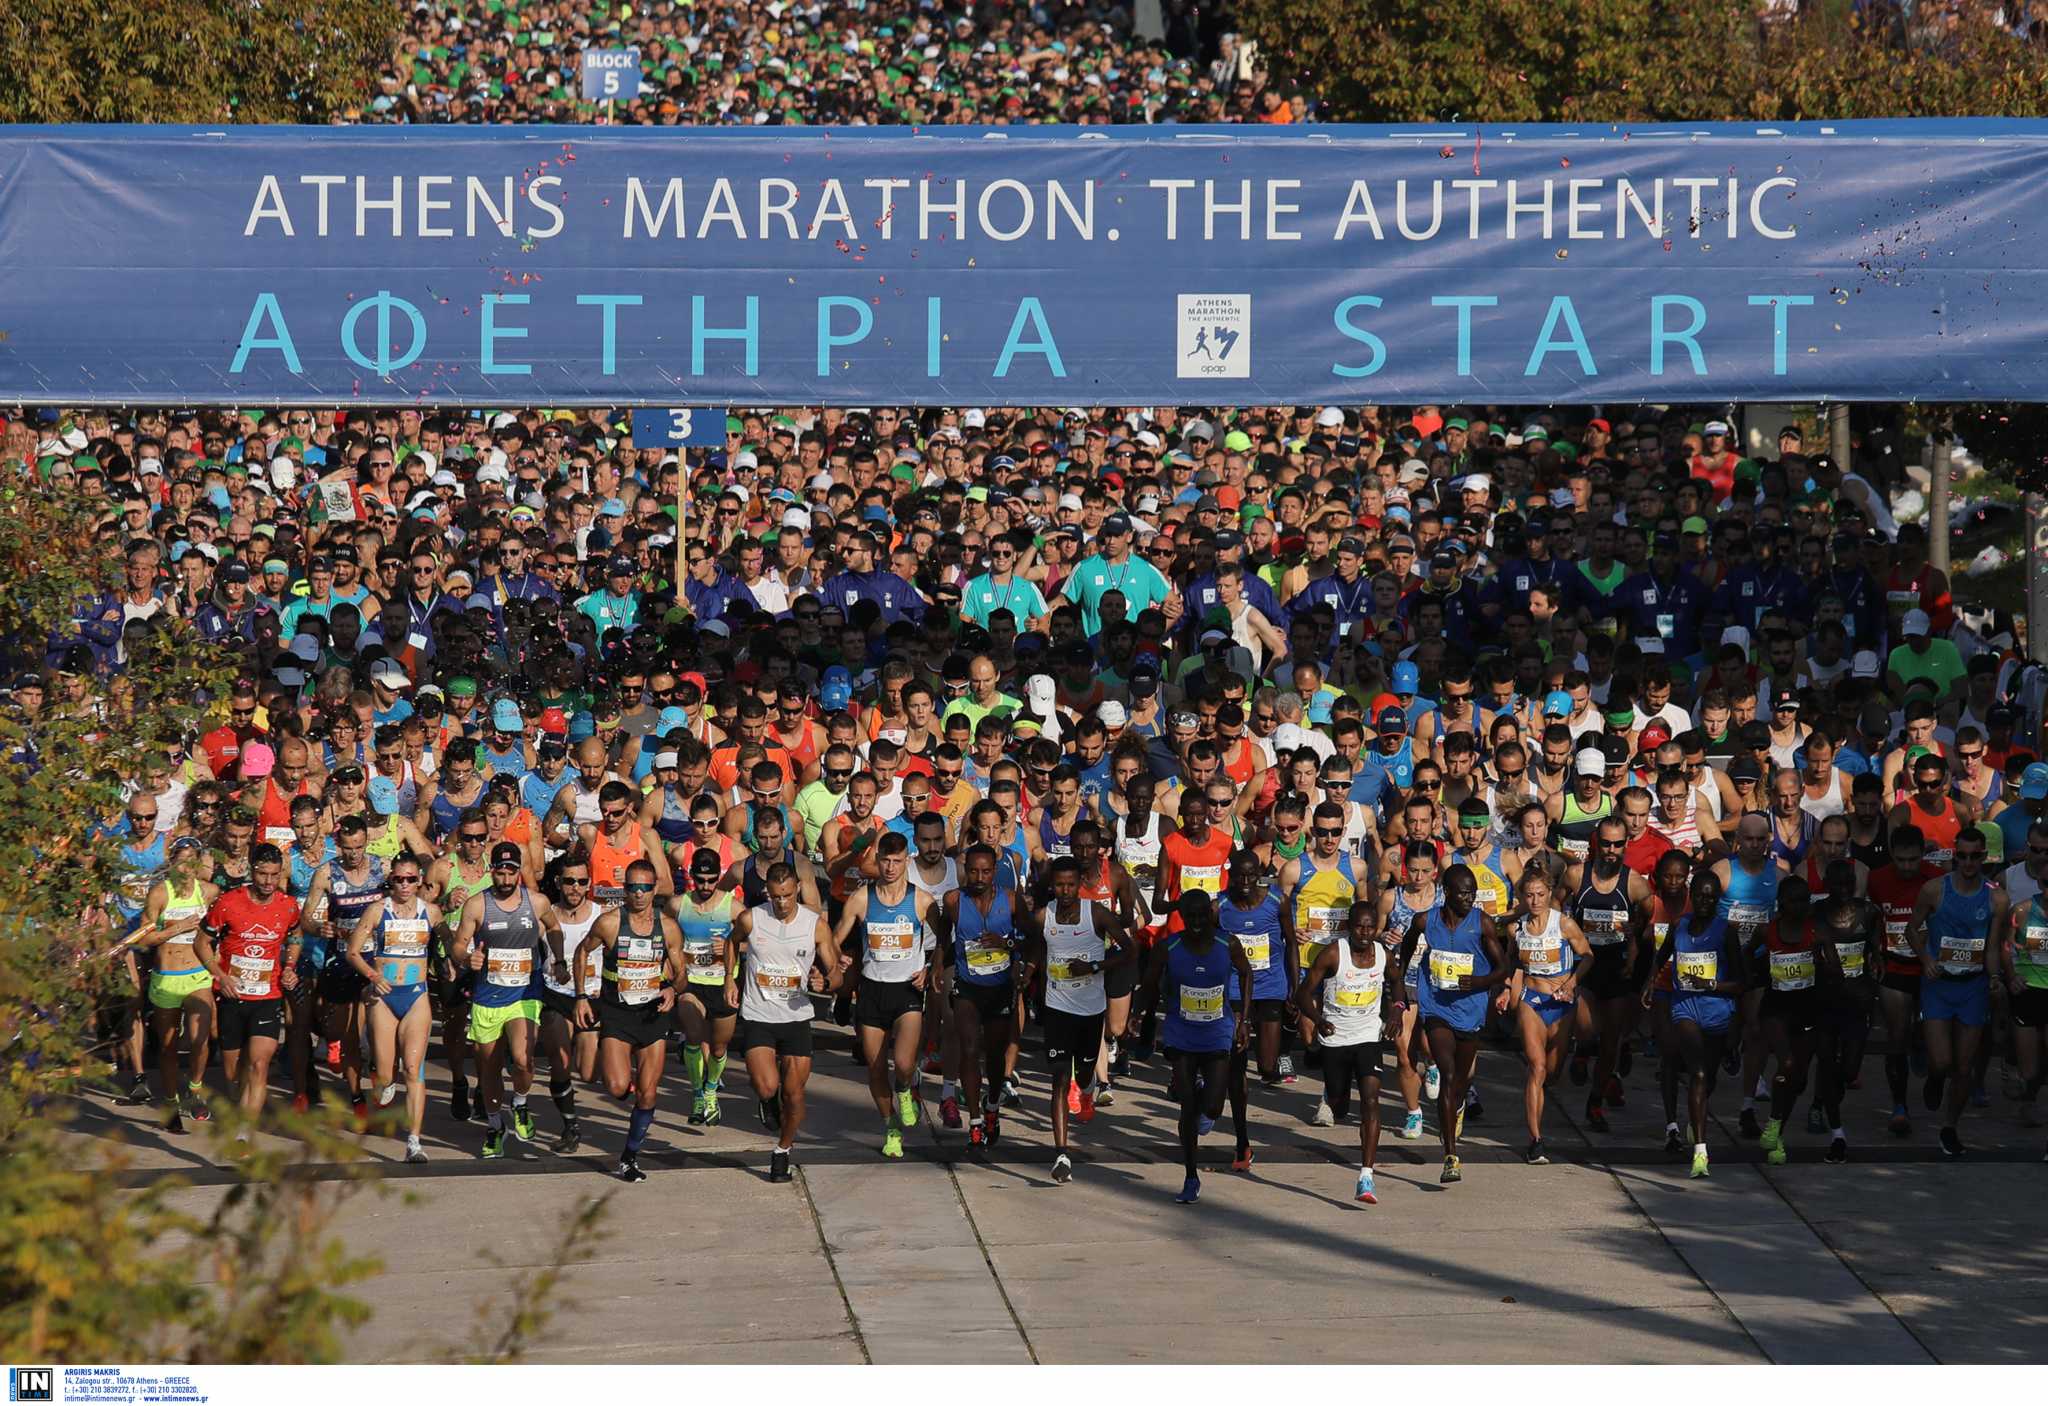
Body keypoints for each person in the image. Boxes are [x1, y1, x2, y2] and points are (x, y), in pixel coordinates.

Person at [450, 842, 570, 1160]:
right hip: (488, 999)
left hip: (525, 995)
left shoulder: (537, 902)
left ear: (519, 871)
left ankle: (519, 1102)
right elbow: (458, 945)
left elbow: (554, 927)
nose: (505, 879)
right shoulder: (477, 905)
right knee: (488, 1071)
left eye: (511, 872)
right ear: (492, 871)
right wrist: (467, 958)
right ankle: (494, 1126)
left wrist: (558, 959)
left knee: (522, 1059)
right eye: (500, 872)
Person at [1022, 854, 1136, 1182]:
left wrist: (1095, 967)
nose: (1066, 890)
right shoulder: (1044, 916)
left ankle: (1087, 1087)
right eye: (1060, 885)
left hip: (1090, 1010)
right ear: (1052, 887)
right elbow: (1034, 946)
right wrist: (1027, 970)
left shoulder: (1096, 914)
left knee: (1085, 1071)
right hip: (1057, 1008)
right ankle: (1061, 1153)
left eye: (1071, 884)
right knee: (1059, 1079)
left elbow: (1130, 950)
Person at [732, 864, 845, 1185]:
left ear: (798, 890)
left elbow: (836, 972)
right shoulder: (752, 918)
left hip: (796, 1018)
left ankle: (783, 1151)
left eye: (787, 895)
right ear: (767, 892)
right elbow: (731, 943)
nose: (781, 902)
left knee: (794, 1095)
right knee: (768, 1086)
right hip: (759, 1014)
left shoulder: (815, 926)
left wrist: (827, 982)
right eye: (775, 896)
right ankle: (767, 1100)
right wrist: (731, 978)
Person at [1399, 864, 1510, 1185]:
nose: (1469, 899)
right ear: (1446, 892)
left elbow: (1503, 967)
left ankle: (1458, 1106)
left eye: (1472, 893)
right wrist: (1399, 981)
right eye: (1463, 893)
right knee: (1447, 1075)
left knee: (1460, 1079)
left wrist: (1480, 981)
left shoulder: (1482, 924)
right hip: (1436, 1007)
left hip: (1471, 1009)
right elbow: (1406, 947)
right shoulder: (1426, 921)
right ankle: (1450, 1155)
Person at [830, 831, 939, 1159]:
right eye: (885, 861)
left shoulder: (921, 900)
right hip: (872, 991)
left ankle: (906, 1089)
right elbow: (834, 938)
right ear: (877, 861)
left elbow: (945, 940)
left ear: (907, 861)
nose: (890, 867)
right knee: (876, 1069)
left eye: (896, 861)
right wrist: (839, 956)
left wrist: (930, 968)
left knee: (904, 1064)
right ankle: (891, 1127)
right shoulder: (862, 899)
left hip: (907, 991)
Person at [1141, 890, 1253, 1204]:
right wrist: (1143, 1017)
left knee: (1214, 1107)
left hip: (1217, 1031)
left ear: (1211, 915)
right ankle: (1191, 1176)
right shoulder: (1168, 947)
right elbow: (1150, 985)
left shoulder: (1227, 944)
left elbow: (1246, 974)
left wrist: (1244, 1020)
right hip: (1181, 1032)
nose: (1197, 923)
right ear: (1182, 918)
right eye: (1191, 917)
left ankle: (1204, 1099)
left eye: (1203, 916)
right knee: (1189, 1107)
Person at [1903, 828, 2007, 1157]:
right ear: (1954, 856)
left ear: (1984, 856)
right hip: (1939, 986)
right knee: (1942, 1062)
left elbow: (1991, 948)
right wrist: (1927, 959)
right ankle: (1934, 1077)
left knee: (1964, 1067)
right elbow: (1911, 928)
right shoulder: (1934, 890)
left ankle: (1949, 1127)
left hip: (1973, 987)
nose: (1967, 862)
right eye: (1961, 855)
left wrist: (1994, 978)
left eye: (1975, 856)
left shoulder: (1996, 898)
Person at [580, 858, 684, 1183]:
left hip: (652, 1015)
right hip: (618, 1012)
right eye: (632, 887)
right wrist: (582, 995)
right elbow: (582, 951)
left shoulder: (667, 927)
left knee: (649, 1094)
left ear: (655, 890)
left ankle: (629, 1156)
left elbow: (682, 974)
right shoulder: (610, 923)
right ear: (624, 890)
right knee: (615, 1086)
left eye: (644, 888)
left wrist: (673, 992)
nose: (638, 894)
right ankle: (632, 1089)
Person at [1644, 867, 1747, 1179]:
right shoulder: (1680, 925)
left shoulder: (1725, 932)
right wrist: (1650, 982)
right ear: (1692, 896)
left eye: (1710, 897)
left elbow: (1742, 982)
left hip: (1716, 1012)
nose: (1704, 901)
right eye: (1699, 895)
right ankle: (1701, 1152)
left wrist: (1712, 986)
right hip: (1684, 1008)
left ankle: (1695, 1117)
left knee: (1708, 1078)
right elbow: (1662, 956)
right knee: (1697, 1070)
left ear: (1717, 900)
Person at [193, 843, 301, 1135]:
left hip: (268, 997)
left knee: (259, 1064)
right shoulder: (228, 903)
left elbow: (295, 937)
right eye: (262, 874)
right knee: (233, 1073)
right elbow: (201, 943)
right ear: (251, 870)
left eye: (274, 875)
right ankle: (237, 1103)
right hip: (232, 996)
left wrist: (289, 967)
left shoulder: (288, 906)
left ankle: (244, 1132)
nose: (268, 882)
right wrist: (219, 975)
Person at [1295, 902, 1396, 1203]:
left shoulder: (1382, 955)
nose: (1365, 933)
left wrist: (1396, 1011)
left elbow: (1397, 982)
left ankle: (1366, 1175)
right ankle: (1332, 1095)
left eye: (1370, 927)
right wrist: (1318, 1019)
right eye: (1359, 927)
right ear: (1348, 927)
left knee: (1371, 1101)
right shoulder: (1333, 954)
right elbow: (1302, 993)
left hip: (1368, 1036)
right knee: (1339, 1108)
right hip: (1336, 1038)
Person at [344, 850, 441, 1163]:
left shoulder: (431, 912)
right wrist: (373, 975)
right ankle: (383, 1077)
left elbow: (451, 944)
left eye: (411, 879)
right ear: (390, 881)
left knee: (414, 1069)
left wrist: (461, 957)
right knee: (386, 1076)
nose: (404, 885)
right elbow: (353, 952)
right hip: (384, 998)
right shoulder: (377, 910)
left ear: (419, 881)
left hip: (416, 996)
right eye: (398, 879)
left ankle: (414, 1141)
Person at [119, 837, 220, 1129]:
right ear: (171, 863)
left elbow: (223, 928)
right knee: (167, 1046)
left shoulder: (210, 892)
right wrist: (176, 929)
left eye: (191, 860)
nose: (185, 868)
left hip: (197, 975)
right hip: (167, 977)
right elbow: (145, 937)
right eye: (180, 861)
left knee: (201, 1039)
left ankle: (196, 1091)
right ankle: (171, 1102)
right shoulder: (160, 894)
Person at [934, 845, 1022, 1149]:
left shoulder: (1010, 900)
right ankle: (974, 1120)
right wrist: (937, 966)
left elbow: (1030, 939)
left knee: (995, 1054)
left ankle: (992, 1106)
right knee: (969, 1048)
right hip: (968, 986)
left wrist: (1006, 941)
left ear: (994, 871)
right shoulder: (954, 900)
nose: (979, 877)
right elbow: (943, 936)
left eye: (985, 871)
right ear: (966, 870)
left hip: (999, 988)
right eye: (973, 871)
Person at [1564, 816, 1649, 1132]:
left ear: (1626, 845)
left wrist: (1635, 932)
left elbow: (1646, 921)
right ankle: (1583, 1050)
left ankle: (1595, 1102)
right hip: (1585, 967)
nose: (1611, 850)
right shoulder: (1576, 876)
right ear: (1596, 842)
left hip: (1616, 968)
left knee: (1611, 1041)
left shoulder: (1635, 883)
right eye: (1606, 843)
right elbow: (1557, 910)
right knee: (1585, 1029)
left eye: (1618, 844)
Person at [1505, 867, 1592, 1165]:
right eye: (1529, 895)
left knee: (1552, 1073)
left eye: (1541, 894)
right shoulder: (1516, 929)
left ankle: (1570, 1057)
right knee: (1537, 1068)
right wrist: (1509, 992)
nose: (1535, 900)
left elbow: (1588, 956)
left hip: (1562, 1004)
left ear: (1551, 893)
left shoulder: (1564, 925)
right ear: (1522, 897)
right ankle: (1535, 1140)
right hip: (1532, 1000)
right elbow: (1513, 964)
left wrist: (1571, 983)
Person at [1220, 848, 1288, 1168]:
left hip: (1271, 987)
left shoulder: (1277, 902)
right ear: (1230, 875)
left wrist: (1295, 989)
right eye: (1239, 876)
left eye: (1251, 875)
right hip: (1234, 990)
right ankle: (1242, 1139)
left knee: (1266, 1066)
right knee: (1236, 1067)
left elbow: (1292, 946)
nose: (1245, 882)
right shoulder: (1218, 906)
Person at [537, 852, 604, 1152]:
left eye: (581, 882)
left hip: (593, 996)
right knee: (560, 1063)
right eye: (569, 882)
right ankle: (570, 1125)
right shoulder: (545, 916)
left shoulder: (602, 916)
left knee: (588, 1073)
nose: (575, 888)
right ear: (557, 883)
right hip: (557, 996)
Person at [1814, 859, 1879, 1163]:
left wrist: (1877, 965)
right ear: (1826, 884)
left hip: (1858, 1001)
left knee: (1849, 1070)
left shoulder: (1868, 912)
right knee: (1826, 1063)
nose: (1843, 890)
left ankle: (1824, 1098)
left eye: (1848, 884)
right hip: (1825, 1003)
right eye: (1837, 884)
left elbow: (1875, 951)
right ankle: (1837, 1134)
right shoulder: (1816, 915)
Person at [674, 849, 742, 1128]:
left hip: (723, 984)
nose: (705, 887)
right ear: (691, 877)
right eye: (700, 880)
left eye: (711, 880)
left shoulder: (733, 906)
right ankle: (698, 1095)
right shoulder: (678, 905)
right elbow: (666, 935)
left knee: (718, 1047)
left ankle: (711, 1087)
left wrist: (730, 945)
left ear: (719, 878)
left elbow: (757, 941)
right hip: (692, 982)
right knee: (692, 1035)